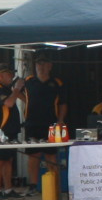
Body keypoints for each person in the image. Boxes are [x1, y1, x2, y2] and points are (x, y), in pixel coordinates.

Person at [19, 54, 67, 192]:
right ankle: (33, 186)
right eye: (38, 64)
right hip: (32, 123)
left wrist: (61, 120)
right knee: (33, 155)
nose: (41, 67)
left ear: (50, 66)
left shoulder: (57, 82)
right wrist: (27, 101)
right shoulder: (28, 81)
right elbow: (15, 92)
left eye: (44, 64)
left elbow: (63, 103)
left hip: (51, 124)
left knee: (51, 155)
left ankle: (54, 186)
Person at [0, 63, 26, 199]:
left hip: (11, 129)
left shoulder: (7, 88)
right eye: (9, 74)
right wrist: (16, 89)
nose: (11, 77)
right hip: (1, 131)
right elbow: (9, 103)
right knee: (0, 160)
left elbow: (24, 99)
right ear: (1, 76)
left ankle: (8, 189)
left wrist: (17, 89)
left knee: (8, 159)